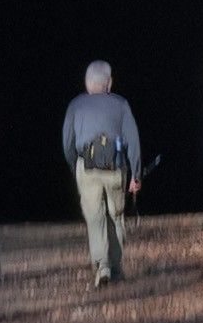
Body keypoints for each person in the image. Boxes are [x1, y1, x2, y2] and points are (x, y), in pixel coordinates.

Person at [57, 59, 147, 283]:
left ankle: (102, 265)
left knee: (94, 218)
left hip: (86, 166)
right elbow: (133, 141)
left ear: (87, 83)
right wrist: (136, 173)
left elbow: (67, 142)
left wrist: (74, 165)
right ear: (109, 83)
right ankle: (115, 267)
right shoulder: (121, 104)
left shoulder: (76, 105)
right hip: (115, 167)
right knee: (115, 217)